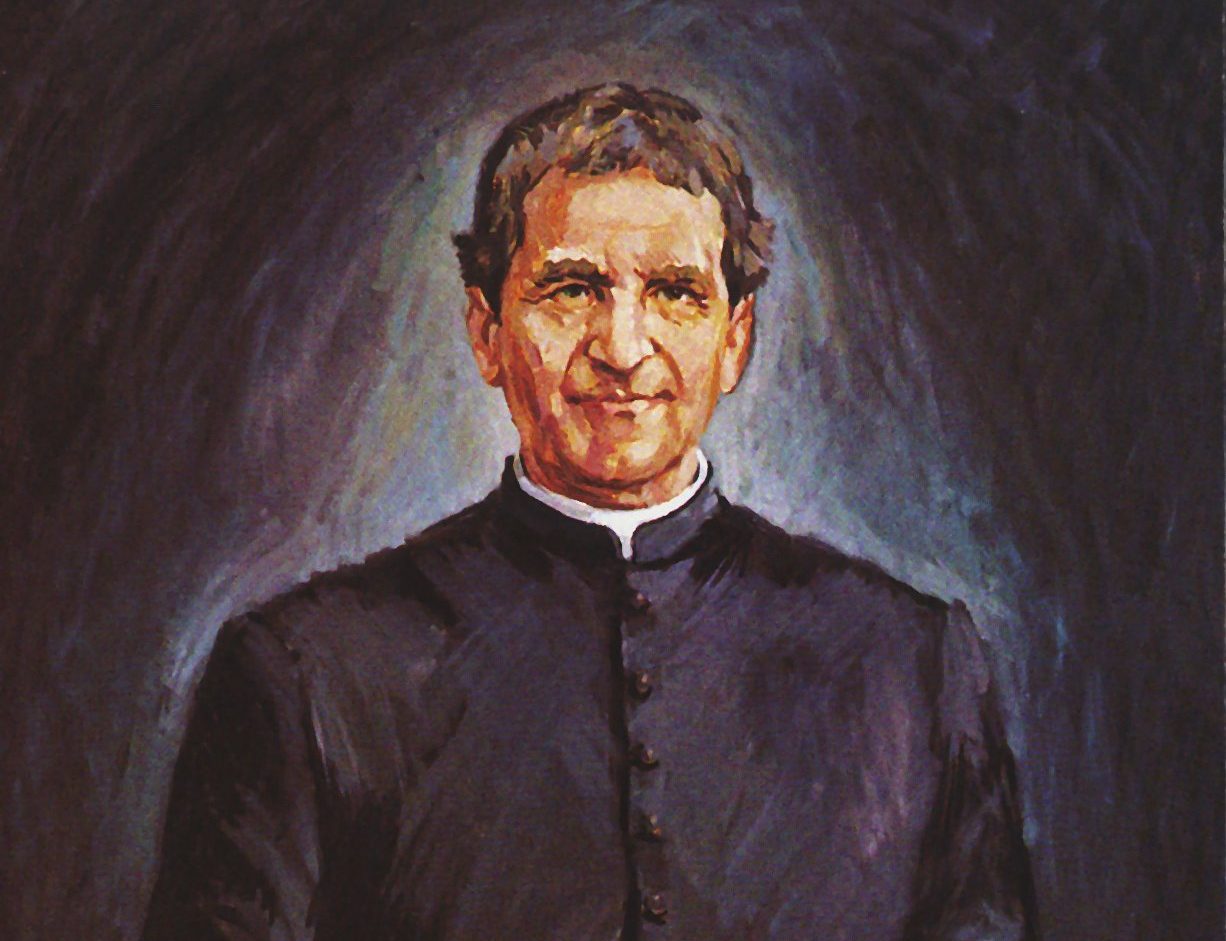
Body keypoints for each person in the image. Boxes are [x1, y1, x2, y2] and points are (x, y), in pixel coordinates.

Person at [143, 83, 1039, 940]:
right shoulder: (305, 673)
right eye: (572, 288)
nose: (622, 347)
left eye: (675, 292)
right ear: (487, 332)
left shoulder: (915, 665)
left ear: (735, 339)